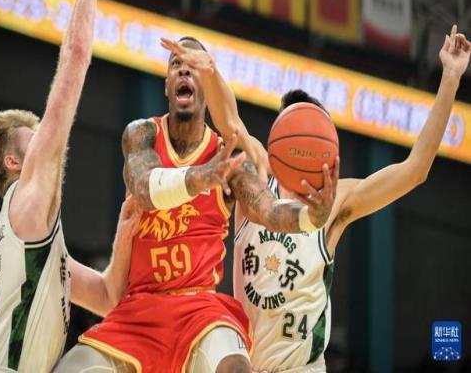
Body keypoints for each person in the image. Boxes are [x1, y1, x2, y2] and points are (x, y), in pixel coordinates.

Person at [165, 26, 471, 372]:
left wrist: (450, 78)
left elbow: (415, 169)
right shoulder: (256, 175)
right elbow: (230, 122)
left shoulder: (337, 200)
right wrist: (209, 71)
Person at [55, 36, 338, 373]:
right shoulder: (142, 135)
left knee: (235, 367)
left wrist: (311, 216)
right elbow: (143, 188)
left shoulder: (230, 159)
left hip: (200, 311)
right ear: (167, 86)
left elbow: (270, 211)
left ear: (206, 88)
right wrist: (201, 177)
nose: (184, 70)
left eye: (192, 66)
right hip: (139, 312)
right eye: (176, 65)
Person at [0, 0, 142, 372]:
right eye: (35, 138)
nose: (47, 141)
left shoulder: (38, 252)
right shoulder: (26, 203)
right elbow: (75, 57)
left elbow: (107, 297)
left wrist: (124, 235)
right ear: (13, 162)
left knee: (101, 357)